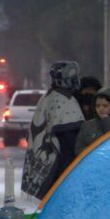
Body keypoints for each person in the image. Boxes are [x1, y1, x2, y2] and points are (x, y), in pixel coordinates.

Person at [22, 61, 85, 200]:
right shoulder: (67, 101)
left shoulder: (46, 98)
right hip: (59, 171)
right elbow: (71, 141)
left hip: (44, 168)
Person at [75, 87, 110, 155]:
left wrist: (107, 123)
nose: (101, 109)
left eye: (105, 106)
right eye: (97, 106)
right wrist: (94, 153)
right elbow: (78, 149)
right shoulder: (87, 125)